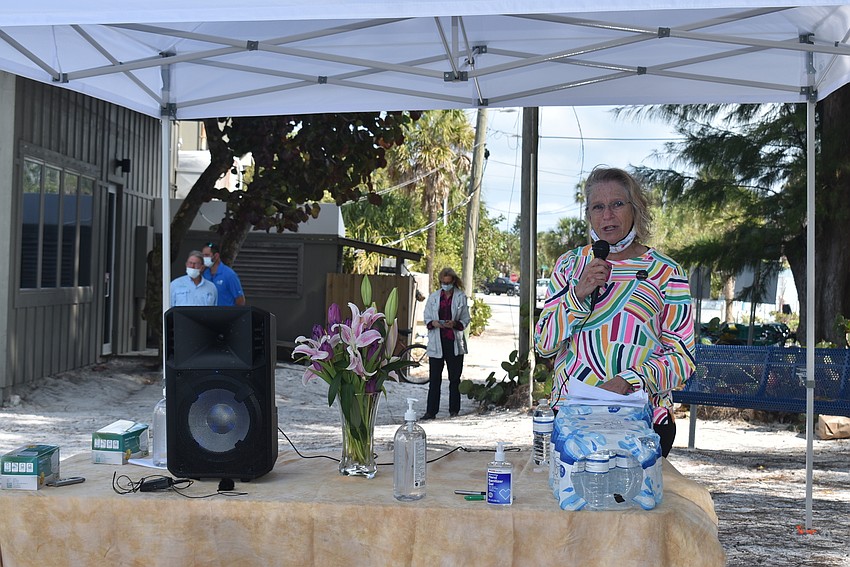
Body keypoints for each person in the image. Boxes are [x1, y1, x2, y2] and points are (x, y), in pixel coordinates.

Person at [534, 166, 695, 457]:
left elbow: (682, 359)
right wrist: (577, 294)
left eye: (617, 204)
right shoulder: (569, 265)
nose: (607, 215)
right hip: (573, 420)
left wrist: (628, 382)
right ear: (589, 215)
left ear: (636, 209)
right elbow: (543, 345)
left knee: (633, 504)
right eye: (598, 207)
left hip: (643, 422)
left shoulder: (667, 271)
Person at [421, 267, 471, 420]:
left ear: (453, 282)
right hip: (437, 342)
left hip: (453, 342)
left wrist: (454, 324)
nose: (445, 285)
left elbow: (465, 319)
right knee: (434, 379)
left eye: (448, 282)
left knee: (454, 379)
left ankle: (454, 411)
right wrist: (434, 323)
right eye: (443, 282)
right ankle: (431, 412)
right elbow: (427, 317)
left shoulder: (461, 297)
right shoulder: (434, 297)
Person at [202, 242, 246, 306]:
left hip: (226, 314)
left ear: (216, 256)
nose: (204, 258)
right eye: (202, 255)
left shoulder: (229, 275)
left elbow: (240, 300)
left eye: (206, 255)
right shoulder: (205, 273)